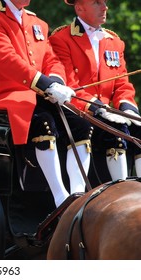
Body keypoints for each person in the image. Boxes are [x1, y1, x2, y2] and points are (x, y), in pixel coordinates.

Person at [0, 0, 93, 207]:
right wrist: (46, 85)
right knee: (43, 122)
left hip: (38, 93)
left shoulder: (36, 22)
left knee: (81, 124)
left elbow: (52, 59)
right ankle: (60, 197)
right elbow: (6, 59)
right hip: (4, 95)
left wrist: (57, 81)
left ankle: (77, 195)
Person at [49, 0, 141, 180]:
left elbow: (122, 84)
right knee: (116, 129)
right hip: (81, 111)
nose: (105, 7)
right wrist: (97, 107)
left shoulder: (114, 42)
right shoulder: (61, 39)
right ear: (79, 8)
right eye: (97, 3)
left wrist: (129, 110)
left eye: (105, 2)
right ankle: (119, 192)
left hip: (108, 113)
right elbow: (69, 84)